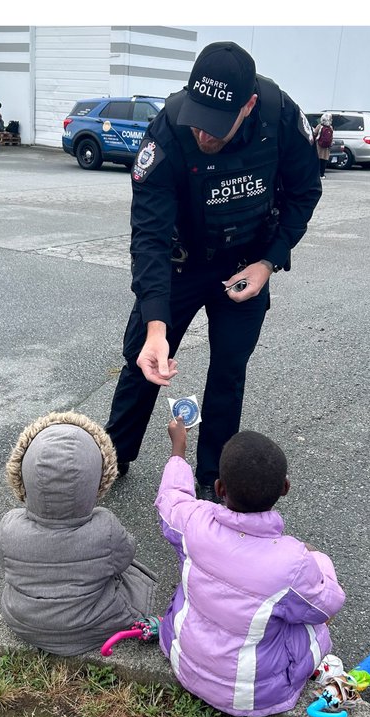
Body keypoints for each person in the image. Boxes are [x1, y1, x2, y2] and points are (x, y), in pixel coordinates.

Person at [105, 41, 322, 501]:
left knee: (228, 370)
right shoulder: (167, 130)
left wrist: (268, 262)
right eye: (199, 120)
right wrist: (156, 325)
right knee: (144, 360)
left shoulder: (281, 117)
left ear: (249, 105)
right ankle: (113, 456)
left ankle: (213, 478)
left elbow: (305, 192)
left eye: (217, 125)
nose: (204, 134)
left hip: (247, 261)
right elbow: (149, 234)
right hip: (180, 261)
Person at [156, 417, 344, 716]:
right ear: (285, 488)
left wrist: (179, 448)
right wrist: (318, 558)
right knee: (312, 619)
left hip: (184, 662)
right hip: (252, 695)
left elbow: (172, 497)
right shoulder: (294, 562)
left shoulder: (194, 522)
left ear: (219, 488)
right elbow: (329, 605)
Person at [0, 411, 157, 655]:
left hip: (23, 621)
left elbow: (1, 556)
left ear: (22, 475)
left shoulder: (9, 526)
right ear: (100, 478)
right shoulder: (106, 527)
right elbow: (126, 555)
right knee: (128, 576)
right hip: (93, 625)